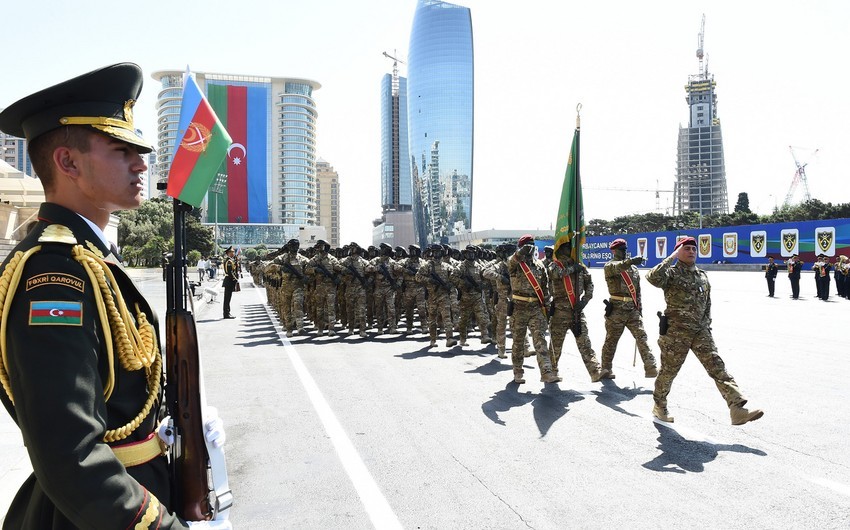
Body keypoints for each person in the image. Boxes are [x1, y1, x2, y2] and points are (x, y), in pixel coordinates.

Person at [0, 63, 227, 528]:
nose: (142, 163)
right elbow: (71, 453)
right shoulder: (53, 273)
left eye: (140, 150)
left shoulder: (90, 260)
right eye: (122, 150)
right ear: (68, 163)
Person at [646, 237, 763, 425]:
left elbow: (707, 303)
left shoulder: (702, 275)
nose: (691, 251)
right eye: (686, 249)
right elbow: (652, 277)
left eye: (694, 248)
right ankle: (660, 406)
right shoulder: (671, 273)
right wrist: (671, 257)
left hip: (701, 332)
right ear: (678, 252)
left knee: (718, 367)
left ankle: (736, 407)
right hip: (676, 333)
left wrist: (707, 326)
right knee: (668, 372)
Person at [600, 238, 658, 379]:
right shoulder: (610, 266)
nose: (624, 252)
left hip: (632, 309)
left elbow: (637, 291)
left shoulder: (633, 269)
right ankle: (606, 368)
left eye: (625, 250)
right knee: (611, 340)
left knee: (641, 337)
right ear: (614, 251)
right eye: (621, 250)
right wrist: (631, 261)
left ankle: (651, 366)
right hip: (616, 309)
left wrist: (639, 308)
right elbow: (619, 267)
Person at [546, 241, 602, 382]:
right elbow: (556, 274)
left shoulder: (580, 266)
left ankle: (595, 371)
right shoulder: (554, 265)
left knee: (585, 342)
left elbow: (590, 283)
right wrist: (572, 268)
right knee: (556, 345)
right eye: (564, 248)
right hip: (560, 311)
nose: (568, 250)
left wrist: (585, 300)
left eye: (569, 248)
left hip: (577, 310)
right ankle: (551, 371)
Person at [508, 235, 558, 384]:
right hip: (519, 307)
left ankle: (546, 372)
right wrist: (520, 252)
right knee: (518, 341)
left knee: (540, 341)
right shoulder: (515, 263)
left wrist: (548, 307)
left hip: (536, 307)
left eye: (531, 245)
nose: (530, 249)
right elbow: (511, 261)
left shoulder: (539, 266)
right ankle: (518, 371)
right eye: (526, 246)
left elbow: (545, 288)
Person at [222, 246, 238, 319]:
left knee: (228, 298)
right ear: (229, 253)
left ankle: (227, 313)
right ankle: (226, 314)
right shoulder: (229, 261)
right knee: (227, 298)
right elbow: (230, 272)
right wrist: (235, 279)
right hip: (229, 280)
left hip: (228, 280)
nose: (233, 253)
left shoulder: (230, 260)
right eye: (232, 252)